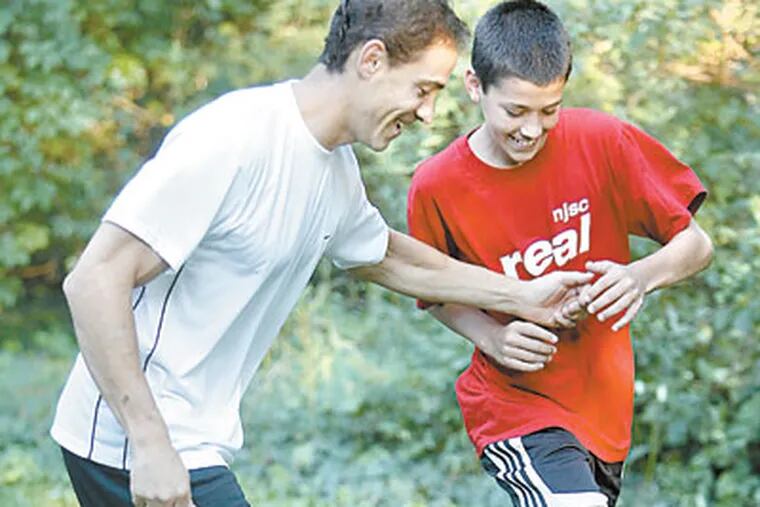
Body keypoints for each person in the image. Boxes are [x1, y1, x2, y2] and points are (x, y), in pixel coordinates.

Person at [51, 1, 594, 506]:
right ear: (372, 60)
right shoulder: (234, 139)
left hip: (190, 440)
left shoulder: (332, 169)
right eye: (423, 89)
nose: (428, 113)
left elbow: (391, 258)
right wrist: (148, 442)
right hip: (132, 444)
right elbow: (95, 280)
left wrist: (523, 295)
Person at [407, 1, 714, 505]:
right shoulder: (436, 186)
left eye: (549, 110)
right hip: (514, 405)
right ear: (474, 86)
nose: (531, 129)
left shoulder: (603, 141)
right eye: (515, 111)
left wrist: (640, 276)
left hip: (604, 413)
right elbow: (433, 292)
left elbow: (696, 244)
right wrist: (492, 337)